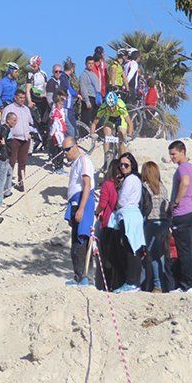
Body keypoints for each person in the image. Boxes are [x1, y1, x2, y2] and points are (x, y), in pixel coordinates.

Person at [168, 140, 192, 292]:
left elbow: (185, 182)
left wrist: (176, 201)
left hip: (181, 213)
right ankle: (190, 285)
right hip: (190, 212)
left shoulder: (183, 168)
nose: (172, 157)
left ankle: (186, 285)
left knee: (183, 252)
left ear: (182, 152)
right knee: (190, 250)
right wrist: (191, 199)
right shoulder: (191, 167)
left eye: (174, 154)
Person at [109, 153, 145, 293]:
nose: (123, 167)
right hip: (132, 215)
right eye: (121, 165)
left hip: (128, 215)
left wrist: (118, 201)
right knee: (131, 248)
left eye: (126, 165)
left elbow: (122, 200)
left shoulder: (130, 179)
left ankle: (131, 282)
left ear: (132, 165)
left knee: (130, 248)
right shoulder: (133, 179)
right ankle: (132, 282)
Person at [63, 136, 95, 287]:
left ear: (75, 146)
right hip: (75, 202)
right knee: (75, 243)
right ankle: (77, 275)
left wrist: (81, 208)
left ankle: (84, 277)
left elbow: (87, 185)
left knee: (81, 241)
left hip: (82, 202)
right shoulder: (75, 163)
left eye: (67, 149)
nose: (65, 153)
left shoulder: (84, 160)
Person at [141, 161, 171, 293]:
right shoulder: (162, 187)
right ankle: (164, 282)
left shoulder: (145, 186)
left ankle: (157, 284)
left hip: (151, 223)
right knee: (161, 254)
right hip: (164, 222)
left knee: (152, 254)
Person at [95, 160, 123, 291]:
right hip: (120, 223)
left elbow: (103, 203)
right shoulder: (122, 185)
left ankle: (105, 286)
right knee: (117, 256)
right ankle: (116, 285)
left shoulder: (107, 185)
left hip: (108, 222)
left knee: (106, 257)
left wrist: (96, 212)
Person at [1, 90, 34, 192]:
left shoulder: (26, 109)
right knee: (11, 162)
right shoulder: (9, 108)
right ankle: (7, 184)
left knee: (23, 162)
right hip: (14, 139)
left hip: (25, 139)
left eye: (24, 98)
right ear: (15, 97)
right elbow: (3, 124)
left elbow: (30, 122)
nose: (22, 100)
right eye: (20, 97)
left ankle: (21, 182)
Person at [0, 112, 17, 208]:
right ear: (8, 120)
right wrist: (2, 144)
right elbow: (1, 140)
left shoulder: (6, 128)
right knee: (1, 178)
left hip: (6, 156)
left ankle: (7, 192)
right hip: (2, 156)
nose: (16, 122)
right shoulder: (4, 128)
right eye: (14, 120)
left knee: (10, 172)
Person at [25, 55, 49, 149]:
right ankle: (38, 139)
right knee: (35, 121)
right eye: (32, 65)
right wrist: (29, 101)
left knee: (45, 121)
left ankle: (45, 141)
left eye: (35, 65)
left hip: (43, 100)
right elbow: (27, 89)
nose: (33, 67)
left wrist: (46, 96)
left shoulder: (43, 74)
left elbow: (46, 87)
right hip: (34, 100)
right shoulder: (30, 75)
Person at [49, 93, 69, 174]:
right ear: (56, 104)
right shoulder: (56, 113)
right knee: (59, 150)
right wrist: (51, 134)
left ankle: (59, 165)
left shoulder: (60, 111)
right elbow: (54, 125)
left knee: (60, 150)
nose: (61, 105)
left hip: (60, 133)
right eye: (60, 104)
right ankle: (58, 166)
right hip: (57, 134)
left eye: (62, 104)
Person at [79, 56, 100, 126]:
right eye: (89, 63)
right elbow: (83, 88)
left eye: (92, 63)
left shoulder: (94, 75)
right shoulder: (84, 75)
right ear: (85, 64)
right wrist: (87, 101)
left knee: (96, 120)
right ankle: (84, 136)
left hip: (96, 100)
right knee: (85, 120)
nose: (91, 65)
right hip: (89, 99)